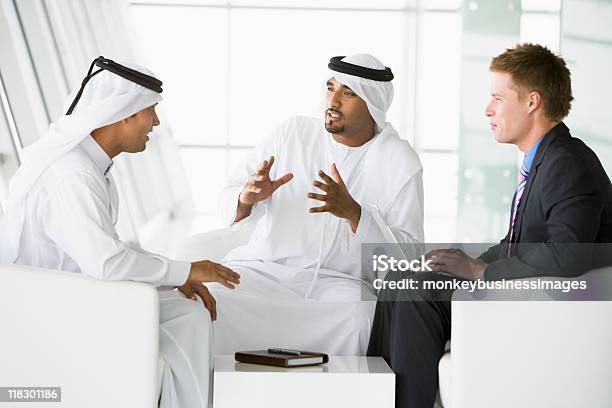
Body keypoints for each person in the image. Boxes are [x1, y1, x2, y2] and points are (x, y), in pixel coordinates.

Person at [367, 43, 612, 408]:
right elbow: (517, 242)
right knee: (399, 279)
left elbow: (568, 255)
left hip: (542, 307)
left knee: (416, 290)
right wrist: (465, 261)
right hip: (523, 290)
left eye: (498, 98)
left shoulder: (568, 161)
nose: (487, 110)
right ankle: (377, 399)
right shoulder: (545, 159)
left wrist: (481, 271)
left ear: (532, 102)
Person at [0, 57, 240, 408]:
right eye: (151, 112)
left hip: (66, 298)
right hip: (49, 313)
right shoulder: (74, 175)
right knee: (188, 316)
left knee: (184, 309)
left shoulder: (89, 169)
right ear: (124, 112)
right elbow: (106, 263)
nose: (156, 123)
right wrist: (185, 270)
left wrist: (174, 276)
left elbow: (102, 254)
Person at [211, 53, 424, 355]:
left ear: (373, 105)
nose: (333, 101)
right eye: (330, 87)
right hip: (263, 271)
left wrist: (355, 214)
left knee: (360, 319)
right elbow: (228, 194)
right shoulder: (293, 133)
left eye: (348, 93)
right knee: (210, 300)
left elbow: (409, 258)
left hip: (338, 284)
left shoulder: (399, 161)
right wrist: (247, 198)